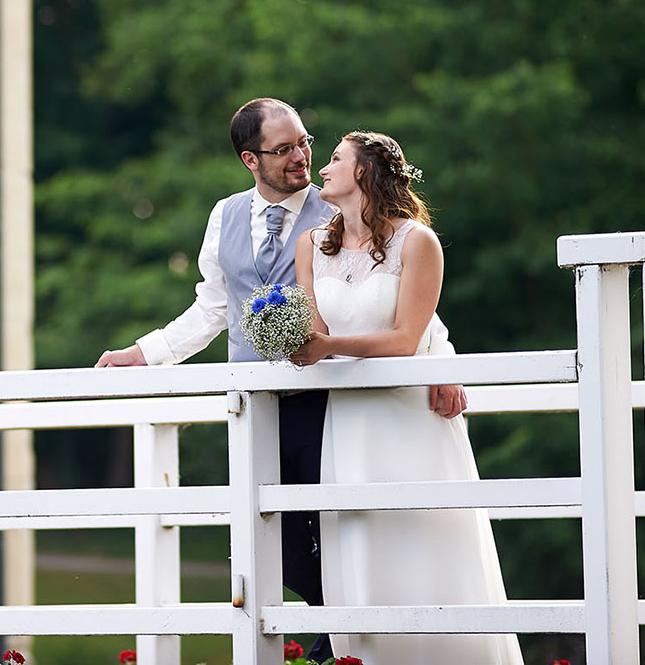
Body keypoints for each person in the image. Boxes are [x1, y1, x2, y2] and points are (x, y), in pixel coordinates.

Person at [96, 99, 466, 660]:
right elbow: (213, 308)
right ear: (251, 159)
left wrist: (442, 363)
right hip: (254, 402)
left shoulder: (344, 205)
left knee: (342, 527)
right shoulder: (224, 216)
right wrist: (145, 354)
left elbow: (396, 302)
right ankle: (339, 628)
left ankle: (350, 642)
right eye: (284, 149)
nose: (302, 157)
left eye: (305, 142)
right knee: (271, 539)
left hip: (328, 400)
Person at [292, 130, 522, 664]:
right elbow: (314, 329)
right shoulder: (312, 246)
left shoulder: (417, 242)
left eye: (334, 160)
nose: (323, 168)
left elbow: (405, 338)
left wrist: (328, 347)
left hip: (407, 414)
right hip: (347, 419)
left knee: (424, 539)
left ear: (364, 173)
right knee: (359, 541)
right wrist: (294, 340)